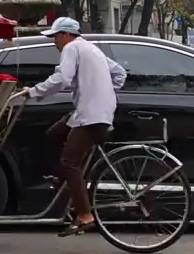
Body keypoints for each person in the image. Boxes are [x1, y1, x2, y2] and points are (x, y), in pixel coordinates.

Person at [26, 17, 129, 237]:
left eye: (55, 37)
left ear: (65, 35)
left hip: (91, 115)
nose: (54, 42)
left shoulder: (71, 48)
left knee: (70, 162)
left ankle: (84, 215)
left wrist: (33, 92)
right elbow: (120, 73)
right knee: (54, 135)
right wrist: (101, 91)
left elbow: (62, 78)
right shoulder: (91, 49)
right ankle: (65, 185)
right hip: (97, 111)